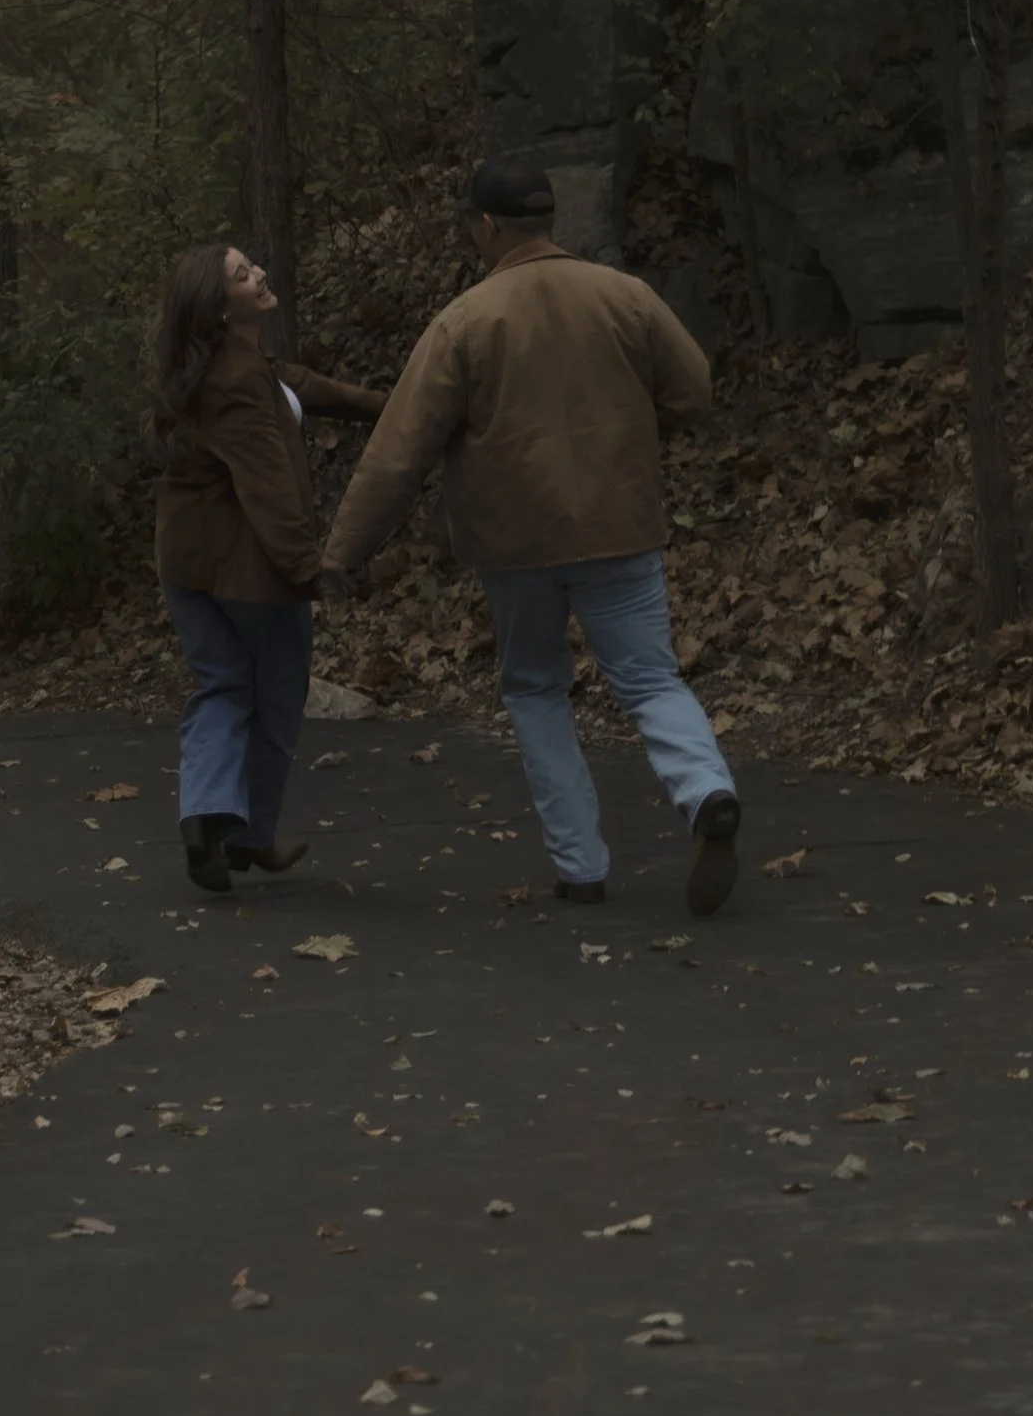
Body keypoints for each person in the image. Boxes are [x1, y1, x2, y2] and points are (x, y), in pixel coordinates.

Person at [320, 153, 739, 915]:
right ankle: (706, 790)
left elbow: (397, 454)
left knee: (537, 690)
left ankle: (581, 868)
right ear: (550, 219)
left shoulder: (466, 321)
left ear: (485, 226)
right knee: (649, 679)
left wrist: (343, 552)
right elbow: (694, 388)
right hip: (621, 526)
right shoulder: (626, 296)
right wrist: (637, 436)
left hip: (516, 548)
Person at [152, 242, 386, 899]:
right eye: (242, 274)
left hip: (186, 563)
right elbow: (270, 488)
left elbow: (300, 386)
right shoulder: (235, 381)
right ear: (218, 309)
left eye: (253, 264)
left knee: (221, 687)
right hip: (247, 570)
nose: (259, 273)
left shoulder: (229, 366)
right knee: (275, 699)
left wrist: (388, 406)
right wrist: (309, 568)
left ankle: (207, 819)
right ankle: (247, 834)